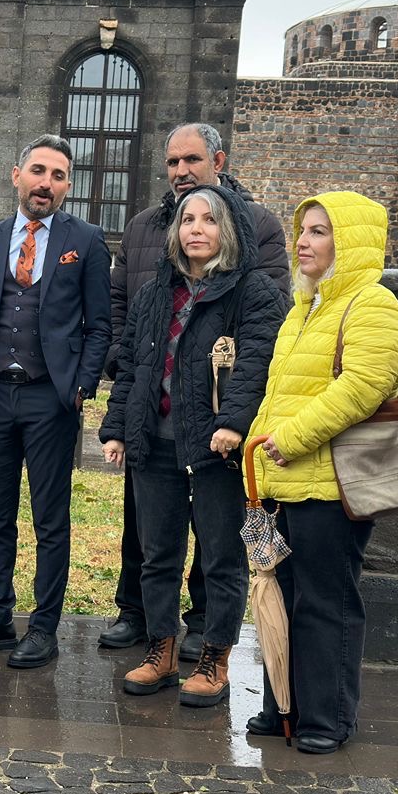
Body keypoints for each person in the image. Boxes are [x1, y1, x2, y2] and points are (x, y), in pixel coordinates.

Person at [101, 121, 289, 659]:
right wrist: (119, 420)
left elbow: (258, 351)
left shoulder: (253, 264)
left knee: (219, 552)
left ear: (218, 163)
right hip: (155, 427)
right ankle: (155, 645)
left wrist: (232, 419)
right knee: (154, 547)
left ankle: (211, 651)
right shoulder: (153, 264)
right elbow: (133, 337)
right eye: (187, 220)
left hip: (213, 434)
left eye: (193, 161)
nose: (181, 171)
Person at [243, 192, 398, 754]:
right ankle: (283, 707)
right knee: (280, 596)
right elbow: (279, 393)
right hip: (284, 482)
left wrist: (290, 438)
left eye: (319, 231)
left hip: (330, 486)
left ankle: (326, 717)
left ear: (351, 241)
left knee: (324, 601)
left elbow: (364, 387)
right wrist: (258, 453)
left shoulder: (373, 304)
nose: (303, 242)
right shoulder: (305, 306)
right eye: (302, 231)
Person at [0, 136, 112, 671]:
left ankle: (43, 626)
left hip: (50, 399)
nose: (47, 183)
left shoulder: (85, 241)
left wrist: (81, 386)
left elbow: (100, 326)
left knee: (50, 518)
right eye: (38, 171)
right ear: (16, 175)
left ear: (67, 185)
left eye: (58, 175)